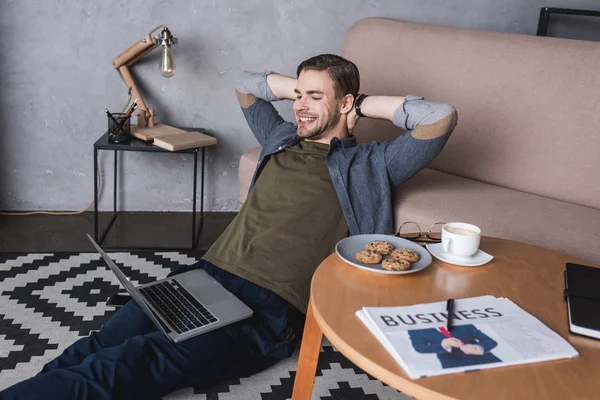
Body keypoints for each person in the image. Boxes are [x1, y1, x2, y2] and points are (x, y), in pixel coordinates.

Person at [0, 54, 457, 399]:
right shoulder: (280, 138)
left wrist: (359, 105)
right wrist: (305, 90)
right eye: (297, 95)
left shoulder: (372, 164)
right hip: (205, 276)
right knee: (102, 341)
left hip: (268, 310)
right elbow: (245, 84)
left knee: (132, 362)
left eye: (314, 97)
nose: (299, 106)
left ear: (346, 103)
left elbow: (440, 117)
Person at [408, 324, 501, 369]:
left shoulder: (463, 323)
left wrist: (479, 348)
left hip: (488, 362)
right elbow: (419, 347)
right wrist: (443, 345)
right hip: (455, 368)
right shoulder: (416, 328)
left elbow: (490, 341)